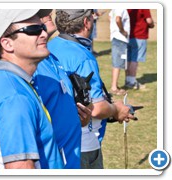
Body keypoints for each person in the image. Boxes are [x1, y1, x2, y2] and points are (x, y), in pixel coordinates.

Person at [0, 9, 64, 169]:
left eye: (42, 27)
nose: (44, 34)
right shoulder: (15, 97)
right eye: (33, 30)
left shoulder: (12, 82)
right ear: (7, 44)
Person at [48, 9, 134, 169]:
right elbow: (96, 108)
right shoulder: (83, 57)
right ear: (86, 22)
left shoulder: (48, 47)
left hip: (55, 141)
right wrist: (116, 110)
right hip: (83, 144)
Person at [32, 13, 91, 169]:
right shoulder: (32, 67)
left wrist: (77, 118)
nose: (47, 15)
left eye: (46, 12)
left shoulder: (50, 57)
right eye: (38, 15)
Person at [125, 9, 155, 89]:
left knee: (128, 59)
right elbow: (149, 21)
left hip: (128, 36)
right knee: (135, 60)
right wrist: (152, 24)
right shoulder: (143, 5)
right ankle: (132, 82)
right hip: (140, 36)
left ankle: (128, 80)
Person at [109, 9, 130, 95]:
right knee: (118, 63)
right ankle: (114, 87)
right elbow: (118, 19)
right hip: (120, 39)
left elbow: (110, 17)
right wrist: (122, 31)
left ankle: (115, 86)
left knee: (117, 62)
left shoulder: (115, 7)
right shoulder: (121, 6)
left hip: (116, 38)